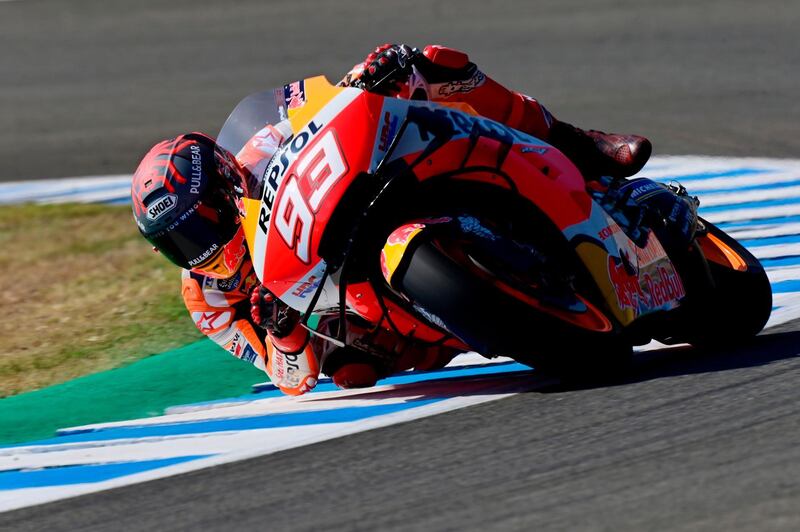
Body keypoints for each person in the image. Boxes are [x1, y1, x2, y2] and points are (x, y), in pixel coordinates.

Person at [131, 43, 685, 396]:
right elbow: (292, 381)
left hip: (357, 199)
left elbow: (319, 101)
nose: (199, 245)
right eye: (180, 241)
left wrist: (368, 75)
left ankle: (575, 143)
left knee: (430, 61)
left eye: (200, 222)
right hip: (365, 323)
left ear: (226, 180)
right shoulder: (208, 298)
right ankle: (485, 305)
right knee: (353, 374)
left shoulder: (261, 145)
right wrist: (281, 333)